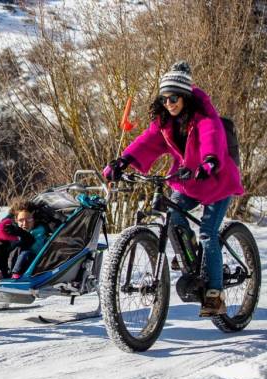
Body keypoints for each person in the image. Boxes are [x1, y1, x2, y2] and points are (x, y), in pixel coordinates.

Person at [103, 61, 244, 317]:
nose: (169, 103)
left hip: (216, 179)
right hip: (188, 180)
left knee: (208, 234)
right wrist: (123, 161)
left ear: (185, 97)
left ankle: (214, 295)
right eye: (165, 98)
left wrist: (210, 160)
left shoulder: (203, 116)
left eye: (174, 97)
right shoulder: (165, 122)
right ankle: (188, 252)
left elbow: (212, 135)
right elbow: (146, 141)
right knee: (173, 211)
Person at [0, 201, 47, 280]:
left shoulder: (39, 231)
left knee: (24, 252)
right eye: (21, 220)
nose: (25, 223)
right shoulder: (13, 230)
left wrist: (22, 234)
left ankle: (14, 275)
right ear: (16, 220)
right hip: (6, 266)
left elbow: (36, 249)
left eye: (29, 219)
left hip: (29, 265)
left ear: (34, 219)